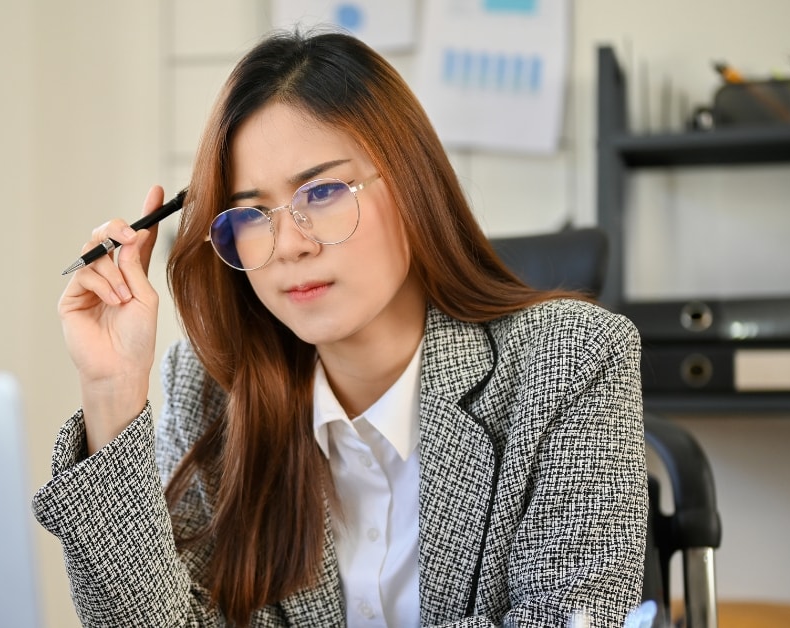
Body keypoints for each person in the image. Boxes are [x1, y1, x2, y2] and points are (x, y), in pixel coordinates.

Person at [32, 30, 647, 628]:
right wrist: (112, 390)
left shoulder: (573, 359)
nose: (290, 245)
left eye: (322, 191)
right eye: (251, 213)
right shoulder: (207, 384)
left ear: (411, 185)